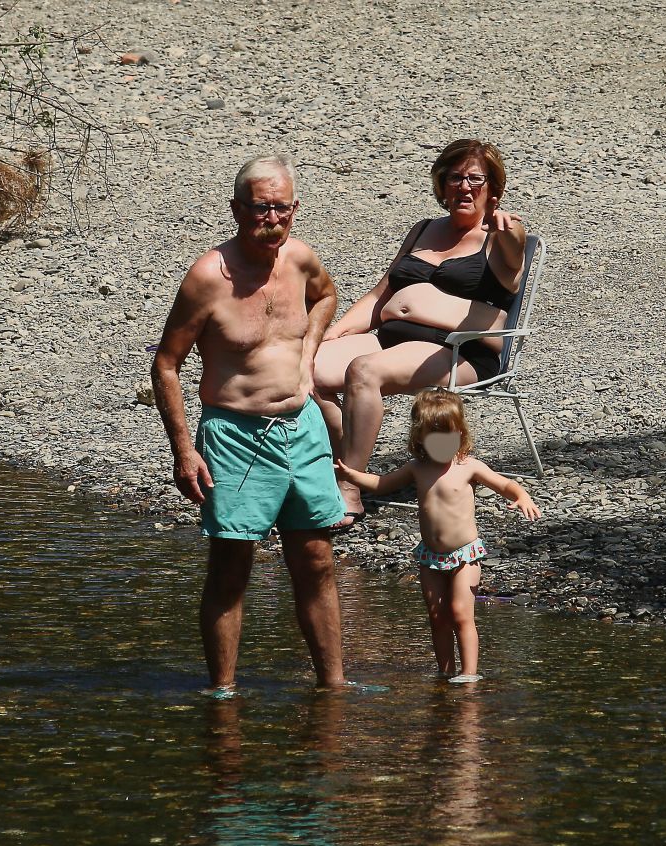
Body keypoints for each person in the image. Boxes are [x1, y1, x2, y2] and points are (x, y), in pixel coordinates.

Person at [152, 153, 348, 696]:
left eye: (281, 208)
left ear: (295, 209)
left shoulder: (301, 259)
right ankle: (223, 694)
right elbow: (166, 364)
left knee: (316, 559)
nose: (272, 219)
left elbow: (327, 296)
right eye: (261, 208)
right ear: (238, 209)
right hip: (235, 436)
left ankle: (334, 687)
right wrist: (184, 451)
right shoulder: (207, 278)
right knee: (232, 564)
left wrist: (309, 350)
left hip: (303, 428)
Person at [314, 139, 528, 531]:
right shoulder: (423, 230)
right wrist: (333, 333)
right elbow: (380, 295)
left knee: (364, 371)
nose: (464, 187)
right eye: (455, 178)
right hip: (391, 337)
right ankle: (346, 455)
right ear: (442, 184)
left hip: (457, 351)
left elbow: (515, 254)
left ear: (493, 188)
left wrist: (509, 227)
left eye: (475, 179)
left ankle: (349, 489)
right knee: (305, 368)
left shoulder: (500, 237)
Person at [334, 389, 540, 683]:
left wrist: (521, 496)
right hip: (430, 557)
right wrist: (351, 475)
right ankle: (445, 672)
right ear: (419, 438)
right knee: (437, 616)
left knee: (460, 613)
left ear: (460, 433)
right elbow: (381, 484)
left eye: (448, 436)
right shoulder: (417, 469)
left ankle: (469, 674)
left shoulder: (468, 466)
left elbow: (504, 484)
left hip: (464, 555)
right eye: (434, 437)